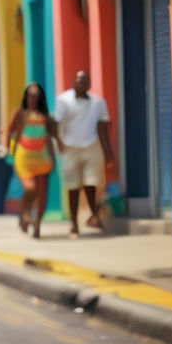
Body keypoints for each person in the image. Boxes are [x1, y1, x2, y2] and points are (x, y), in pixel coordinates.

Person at [54, 70, 114, 238]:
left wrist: (108, 151)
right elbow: (57, 124)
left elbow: (103, 127)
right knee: (72, 186)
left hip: (92, 146)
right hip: (70, 147)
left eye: (86, 81)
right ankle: (74, 223)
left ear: (89, 84)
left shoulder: (98, 102)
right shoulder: (63, 100)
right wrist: (59, 144)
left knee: (92, 183)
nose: (83, 84)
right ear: (74, 82)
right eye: (80, 80)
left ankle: (93, 215)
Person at [6, 83, 56, 238]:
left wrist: (53, 156)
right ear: (26, 97)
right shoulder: (20, 114)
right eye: (30, 95)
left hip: (42, 157)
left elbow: (51, 137)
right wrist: (8, 150)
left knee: (41, 194)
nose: (33, 98)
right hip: (24, 157)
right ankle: (25, 212)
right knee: (30, 189)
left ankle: (37, 224)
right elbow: (11, 131)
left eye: (36, 95)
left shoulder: (45, 117)